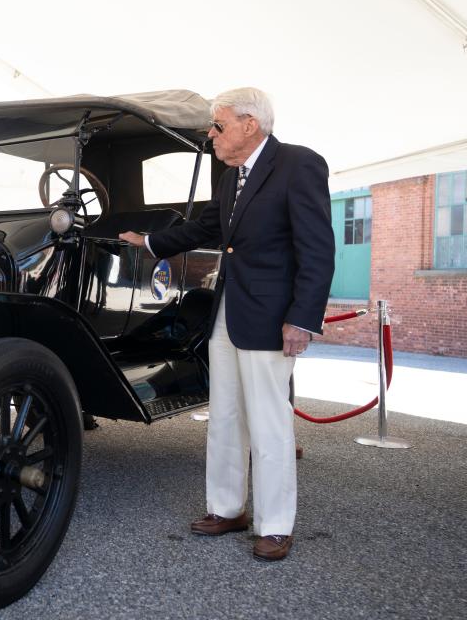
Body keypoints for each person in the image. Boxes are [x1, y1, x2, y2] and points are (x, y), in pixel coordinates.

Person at [119, 87, 334, 561]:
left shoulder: (299, 164)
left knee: (270, 422)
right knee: (226, 416)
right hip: (227, 314)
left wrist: (302, 318)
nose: (211, 134)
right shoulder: (230, 176)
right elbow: (208, 230)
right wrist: (151, 241)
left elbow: (318, 250)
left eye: (218, 125)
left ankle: (275, 524)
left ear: (249, 124)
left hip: (272, 318)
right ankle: (228, 508)